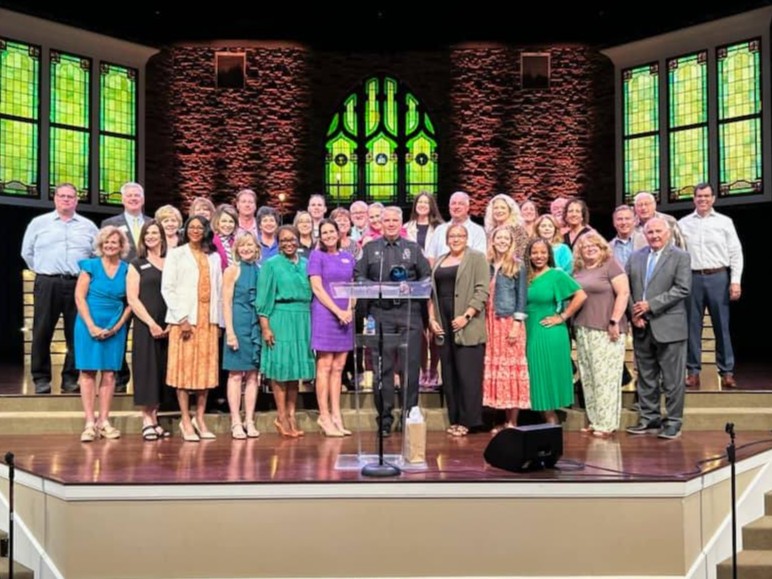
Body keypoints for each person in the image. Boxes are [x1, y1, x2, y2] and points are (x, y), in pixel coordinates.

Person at [354, 206, 431, 437]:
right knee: (383, 369)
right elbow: (358, 275)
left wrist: (412, 287)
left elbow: (426, 277)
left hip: (409, 313)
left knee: (410, 367)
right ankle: (385, 419)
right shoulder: (370, 248)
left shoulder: (413, 248)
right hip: (381, 313)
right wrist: (373, 287)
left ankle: (410, 415)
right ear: (380, 223)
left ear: (401, 223)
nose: (389, 223)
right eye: (386, 220)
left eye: (394, 220)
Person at [21, 183, 98, 394]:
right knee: (42, 330)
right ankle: (41, 378)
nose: (66, 199)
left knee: (76, 333)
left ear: (76, 200)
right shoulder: (39, 223)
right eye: (62, 196)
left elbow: (96, 256)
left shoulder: (88, 226)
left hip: (77, 284)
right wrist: (44, 272)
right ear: (55, 199)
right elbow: (26, 252)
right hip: (48, 282)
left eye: (70, 197)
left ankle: (70, 379)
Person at [625, 218, 691, 440]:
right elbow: (627, 289)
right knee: (646, 377)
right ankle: (649, 418)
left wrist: (650, 305)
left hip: (669, 326)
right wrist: (634, 314)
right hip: (642, 326)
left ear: (668, 232)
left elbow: (682, 289)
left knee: (672, 380)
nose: (654, 235)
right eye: (649, 231)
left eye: (658, 231)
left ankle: (673, 422)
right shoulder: (635, 257)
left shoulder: (680, 257)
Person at [162, 216, 223, 442]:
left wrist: (219, 323)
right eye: (192, 227)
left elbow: (217, 290)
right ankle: (185, 419)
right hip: (185, 321)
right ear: (185, 230)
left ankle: (199, 417)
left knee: (205, 374)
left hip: (209, 321)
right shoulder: (176, 254)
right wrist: (182, 318)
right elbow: (168, 288)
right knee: (184, 372)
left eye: (200, 227)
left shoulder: (214, 257)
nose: (195, 231)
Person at [678, 183, 743, 389]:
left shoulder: (725, 222)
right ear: (694, 199)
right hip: (693, 278)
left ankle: (727, 372)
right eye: (699, 196)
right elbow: (677, 253)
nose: (703, 200)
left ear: (713, 198)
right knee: (692, 327)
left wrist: (735, 281)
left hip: (718, 277)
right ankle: (693, 372)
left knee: (721, 327)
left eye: (706, 196)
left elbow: (735, 252)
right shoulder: (683, 223)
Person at [429, 224, 489, 437]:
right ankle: (455, 418)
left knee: (468, 374)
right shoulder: (440, 260)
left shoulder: (477, 258)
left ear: (467, 237)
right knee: (449, 372)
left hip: (466, 322)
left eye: (460, 235)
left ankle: (469, 420)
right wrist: (431, 318)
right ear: (446, 239)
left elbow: (483, 290)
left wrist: (467, 316)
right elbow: (431, 293)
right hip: (443, 323)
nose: (455, 239)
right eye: (452, 236)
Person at [74, 226, 132, 441]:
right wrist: (91, 326)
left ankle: (104, 421)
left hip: (114, 324)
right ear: (100, 244)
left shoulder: (127, 269)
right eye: (106, 242)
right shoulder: (89, 266)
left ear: (121, 246)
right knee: (87, 372)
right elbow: (80, 297)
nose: (110, 245)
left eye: (114, 242)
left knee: (109, 373)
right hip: (88, 323)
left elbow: (131, 302)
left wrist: (116, 327)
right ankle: (89, 422)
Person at [256, 225, 316, 438]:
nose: (288, 243)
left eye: (292, 239)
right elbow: (263, 298)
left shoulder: (307, 264)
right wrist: (265, 327)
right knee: (281, 371)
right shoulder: (271, 265)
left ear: (299, 240)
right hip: (280, 317)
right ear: (278, 243)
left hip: (302, 318)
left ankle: (291, 415)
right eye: (283, 240)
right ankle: (281, 416)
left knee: (295, 372)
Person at [572, 232, 630, 437]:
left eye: (593, 245)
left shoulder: (610, 264)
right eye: (585, 245)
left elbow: (623, 293)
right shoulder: (577, 269)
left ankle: (607, 423)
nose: (589, 248)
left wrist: (614, 320)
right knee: (588, 377)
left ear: (602, 247)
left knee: (605, 377)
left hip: (606, 328)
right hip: (583, 328)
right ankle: (595, 420)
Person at [524, 238, 587, 425]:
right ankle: (546, 423)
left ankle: (551, 422)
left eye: (543, 252)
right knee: (534, 374)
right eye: (534, 252)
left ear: (549, 255)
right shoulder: (525, 276)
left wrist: (562, 316)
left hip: (547, 330)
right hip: (529, 328)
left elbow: (580, 295)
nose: (539, 256)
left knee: (542, 374)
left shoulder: (556, 275)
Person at [308, 219, 355, 437]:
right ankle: (324, 416)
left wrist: (350, 309)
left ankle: (337, 416)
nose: (328, 235)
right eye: (324, 232)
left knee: (339, 368)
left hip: (346, 316)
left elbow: (354, 286)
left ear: (338, 233)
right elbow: (317, 288)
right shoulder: (317, 256)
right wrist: (337, 311)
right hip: (326, 314)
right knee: (325, 366)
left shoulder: (348, 257)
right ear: (320, 236)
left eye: (331, 231)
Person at [126, 220, 171, 441]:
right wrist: (151, 323)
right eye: (148, 233)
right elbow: (132, 299)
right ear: (142, 238)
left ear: (162, 236)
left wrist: (171, 322)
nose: (151, 236)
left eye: (155, 233)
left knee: (162, 370)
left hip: (169, 324)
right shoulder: (137, 263)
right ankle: (146, 419)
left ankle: (155, 417)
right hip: (146, 325)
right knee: (147, 370)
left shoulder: (171, 261)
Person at [483, 225, 530, 433]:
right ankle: (502, 419)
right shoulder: (487, 265)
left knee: (512, 371)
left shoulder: (517, 266)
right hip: (491, 323)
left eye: (506, 239)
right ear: (492, 241)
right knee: (498, 370)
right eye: (498, 238)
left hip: (509, 321)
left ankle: (513, 421)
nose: (502, 241)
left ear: (511, 243)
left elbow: (522, 297)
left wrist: (516, 324)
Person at [222, 233, 262, 439]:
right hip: (237, 323)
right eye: (243, 245)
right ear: (237, 249)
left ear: (257, 249)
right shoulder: (232, 270)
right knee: (236, 374)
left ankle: (249, 420)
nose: (246, 248)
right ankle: (236, 421)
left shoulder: (261, 270)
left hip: (255, 326)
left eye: (250, 245)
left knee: (253, 375)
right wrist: (230, 332)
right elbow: (226, 303)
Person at [405, 192, 444, 387]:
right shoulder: (407, 228)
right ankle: (422, 370)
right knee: (419, 330)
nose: (422, 205)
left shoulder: (440, 228)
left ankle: (434, 370)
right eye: (419, 202)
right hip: (414, 282)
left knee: (434, 327)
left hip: (435, 280)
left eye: (426, 202)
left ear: (432, 206)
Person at [426, 191, 487, 260]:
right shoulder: (440, 230)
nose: (456, 207)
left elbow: (480, 258)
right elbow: (431, 256)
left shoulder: (478, 231)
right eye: (453, 203)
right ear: (449, 207)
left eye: (461, 204)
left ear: (467, 207)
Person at [101, 182, 151, 261]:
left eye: (137, 195)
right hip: (122, 270)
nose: (133, 198)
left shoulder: (153, 223)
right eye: (129, 196)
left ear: (143, 200)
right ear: (122, 200)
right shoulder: (110, 224)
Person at [483, 193, 529, 258]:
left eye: (503, 208)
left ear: (510, 210)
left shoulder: (519, 231)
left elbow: (523, 255)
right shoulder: (489, 232)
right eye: (496, 208)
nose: (499, 211)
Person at [212, 204, 239, 270]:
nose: (227, 225)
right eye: (224, 221)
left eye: (231, 221)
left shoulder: (236, 242)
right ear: (217, 223)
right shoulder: (211, 241)